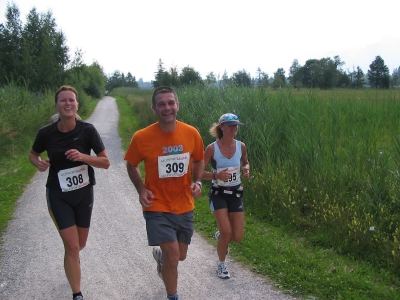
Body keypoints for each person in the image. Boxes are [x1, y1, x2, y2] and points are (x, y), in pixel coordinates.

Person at [29, 85, 110, 300]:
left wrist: (84, 157)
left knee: (79, 244)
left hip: (84, 194)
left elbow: (105, 162)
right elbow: (33, 154)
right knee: (73, 246)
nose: (68, 103)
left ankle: (71, 262)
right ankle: (77, 294)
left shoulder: (87, 130)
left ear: (77, 105)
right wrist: (38, 163)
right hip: (58, 194)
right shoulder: (45, 133)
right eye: (63, 100)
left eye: (71, 100)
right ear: (56, 106)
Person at [124, 86, 204, 300]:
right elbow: (131, 164)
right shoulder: (142, 137)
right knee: (173, 254)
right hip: (156, 206)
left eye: (170, 103)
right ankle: (172, 296)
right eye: (161, 104)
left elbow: (198, 159)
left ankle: (162, 262)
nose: (167, 108)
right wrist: (141, 188)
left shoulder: (191, 133)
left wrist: (198, 182)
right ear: (154, 108)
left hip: (184, 204)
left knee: (180, 256)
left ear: (177, 105)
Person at [202, 113, 250, 279]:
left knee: (237, 237)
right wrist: (215, 176)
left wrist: (246, 169)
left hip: (235, 193)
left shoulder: (241, 146)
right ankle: (221, 264)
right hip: (218, 194)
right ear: (222, 127)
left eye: (236, 125)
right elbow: (199, 172)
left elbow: (245, 161)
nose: (234, 128)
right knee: (227, 234)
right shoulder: (212, 148)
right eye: (230, 125)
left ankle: (221, 236)